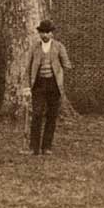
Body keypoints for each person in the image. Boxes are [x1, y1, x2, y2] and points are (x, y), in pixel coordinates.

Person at [23, 20, 71, 155]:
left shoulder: (59, 46)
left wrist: (60, 70)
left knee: (51, 115)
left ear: (52, 33)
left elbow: (67, 64)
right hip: (38, 84)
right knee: (37, 114)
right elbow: (28, 67)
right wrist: (27, 86)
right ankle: (34, 147)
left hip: (53, 85)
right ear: (39, 33)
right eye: (42, 32)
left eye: (47, 32)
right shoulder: (34, 47)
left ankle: (47, 146)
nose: (45, 35)